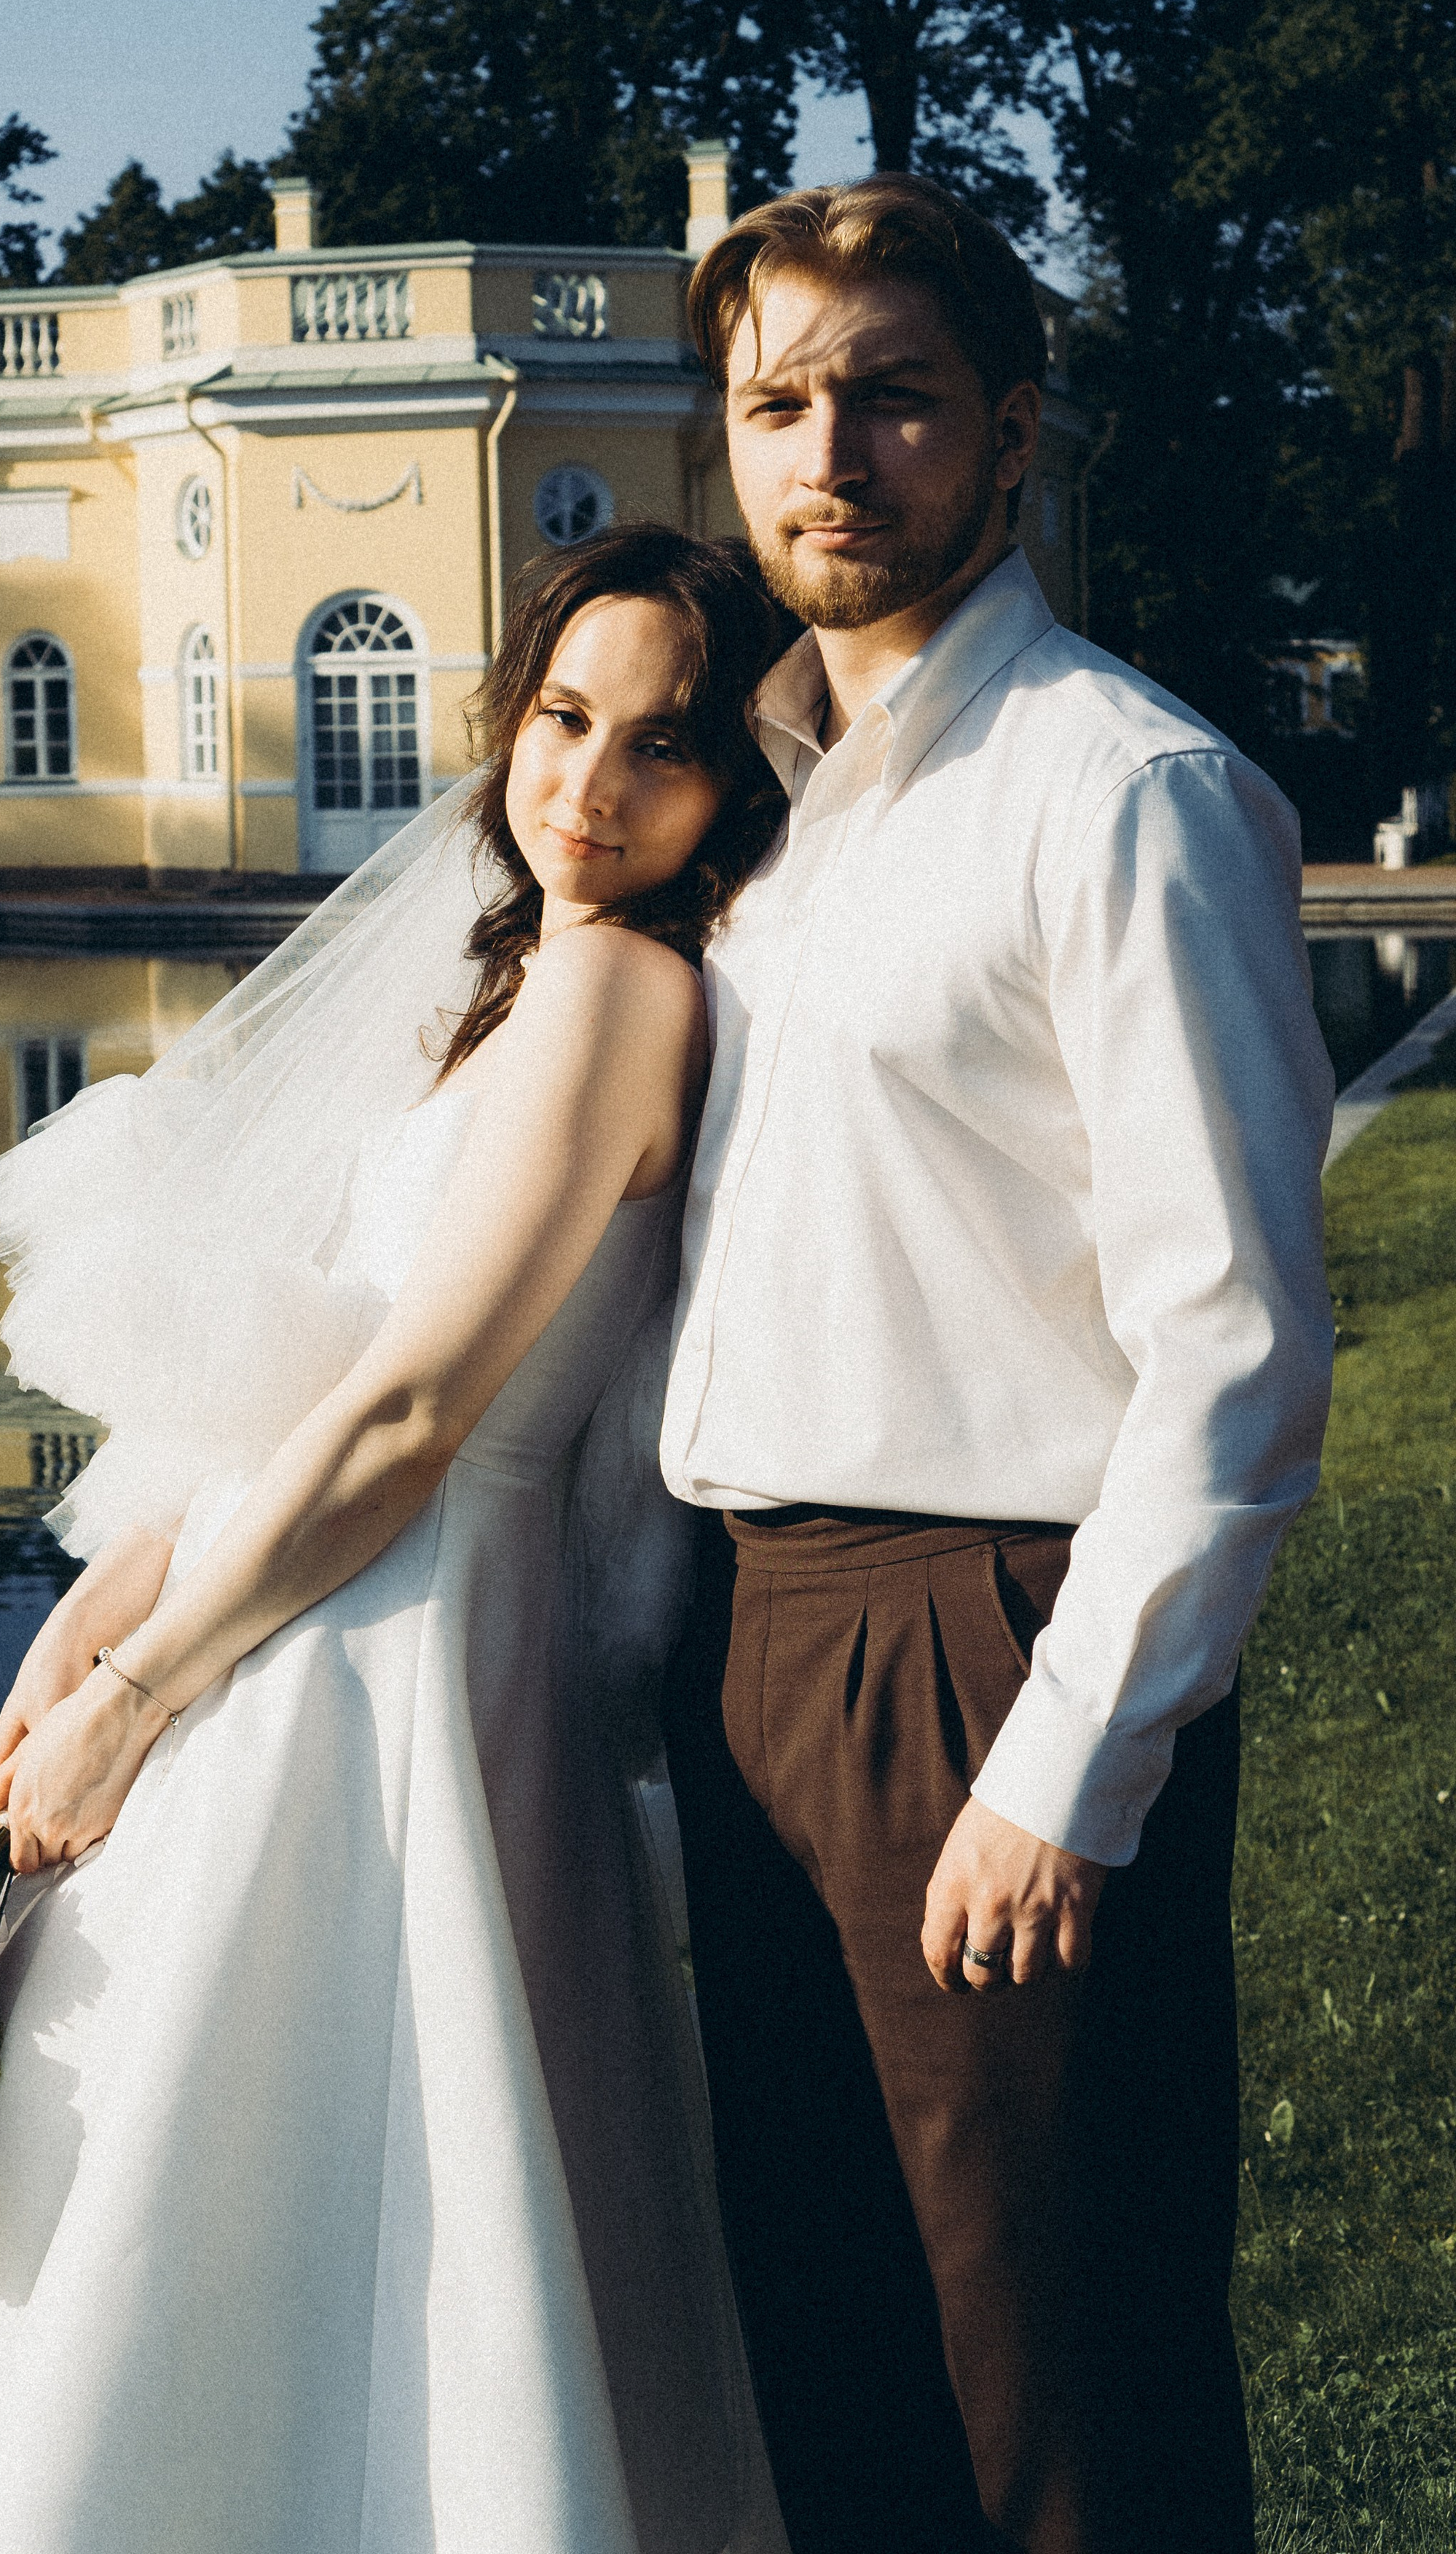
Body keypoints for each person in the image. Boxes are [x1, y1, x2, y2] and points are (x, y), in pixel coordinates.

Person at [0, 524, 793, 2554]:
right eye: (565, 720)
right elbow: (304, 1381)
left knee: (306, 2184)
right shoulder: (507, 990)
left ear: (729, 786)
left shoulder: (617, 988)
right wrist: (95, 1615)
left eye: (660, 746)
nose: (590, 787)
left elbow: (418, 1416)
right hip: (305, 1585)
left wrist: (140, 1690)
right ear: (510, 717)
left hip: (401, 1637)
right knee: (199, 2174)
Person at [659, 174, 1337, 2554]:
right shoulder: (775, 801)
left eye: (895, 398)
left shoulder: (1119, 794)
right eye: (777, 403)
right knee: (834, 2350)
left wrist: (1069, 1756)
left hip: (983, 1642)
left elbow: (1238, 1341)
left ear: (1013, 432)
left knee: (1055, 2376)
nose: (829, 450)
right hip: (753, 1637)